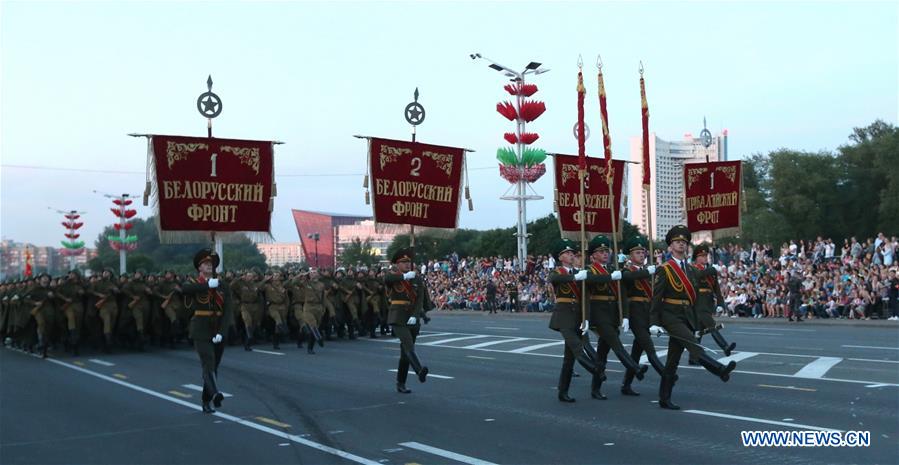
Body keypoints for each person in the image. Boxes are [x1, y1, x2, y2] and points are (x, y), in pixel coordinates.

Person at [651, 225, 737, 410]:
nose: (681, 245)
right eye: (677, 242)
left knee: (672, 360)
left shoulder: (690, 270)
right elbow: (656, 298)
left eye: (684, 242)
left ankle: (664, 398)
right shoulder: (664, 269)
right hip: (671, 315)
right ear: (670, 246)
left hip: (687, 316)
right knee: (693, 343)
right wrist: (654, 323)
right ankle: (719, 369)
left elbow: (696, 297)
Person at [585, 235, 648, 400]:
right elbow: (591, 281)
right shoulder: (590, 270)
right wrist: (610, 277)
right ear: (593, 255)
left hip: (612, 313)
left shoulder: (614, 270)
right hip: (598, 313)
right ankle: (635, 368)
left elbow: (622, 294)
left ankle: (596, 388)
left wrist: (625, 316)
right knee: (615, 343)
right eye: (601, 251)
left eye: (606, 251)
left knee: (602, 353)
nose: (605, 254)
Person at [547, 239, 601, 402]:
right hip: (563, 317)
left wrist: (585, 318)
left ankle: (563, 392)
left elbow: (585, 298)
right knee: (578, 348)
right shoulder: (558, 272)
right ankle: (597, 371)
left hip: (577, 316)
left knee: (568, 359)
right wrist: (576, 277)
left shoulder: (579, 273)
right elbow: (554, 280)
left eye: (572, 253)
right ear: (560, 257)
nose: (571, 256)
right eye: (568, 253)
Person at [181, 248, 233, 414]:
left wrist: (222, 331)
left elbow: (228, 311)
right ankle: (215, 394)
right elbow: (184, 290)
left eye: (211, 263)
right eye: (205, 263)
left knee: (213, 367)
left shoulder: (222, 285)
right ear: (199, 267)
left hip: (218, 328)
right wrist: (205, 285)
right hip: (201, 329)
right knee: (208, 361)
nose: (209, 266)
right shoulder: (195, 283)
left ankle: (205, 400)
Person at [384, 248, 430, 394]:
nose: (406, 265)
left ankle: (400, 383)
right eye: (403, 262)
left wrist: (416, 315)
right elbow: (387, 279)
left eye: (408, 262)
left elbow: (420, 299)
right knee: (408, 344)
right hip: (397, 316)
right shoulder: (393, 276)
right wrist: (404, 277)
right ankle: (419, 370)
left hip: (412, 316)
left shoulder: (416, 278)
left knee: (405, 354)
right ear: (397, 264)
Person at [619, 235, 661, 396]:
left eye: (643, 252)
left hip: (647, 311)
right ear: (630, 255)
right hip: (635, 311)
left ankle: (626, 384)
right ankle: (666, 375)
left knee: (637, 351)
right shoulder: (627, 270)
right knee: (649, 347)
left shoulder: (647, 271)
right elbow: (629, 278)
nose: (641, 255)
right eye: (637, 252)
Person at [692, 244, 736, 356]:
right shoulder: (693, 268)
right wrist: (713, 269)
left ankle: (693, 357)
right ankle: (725, 347)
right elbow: (699, 275)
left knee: (699, 332)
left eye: (706, 255)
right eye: (702, 256)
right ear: (696, 258)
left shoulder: (711, 271)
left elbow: (717, 289)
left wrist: (721, 304)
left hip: (708, 304)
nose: (705, 258)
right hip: (698, 304)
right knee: (711, 325)